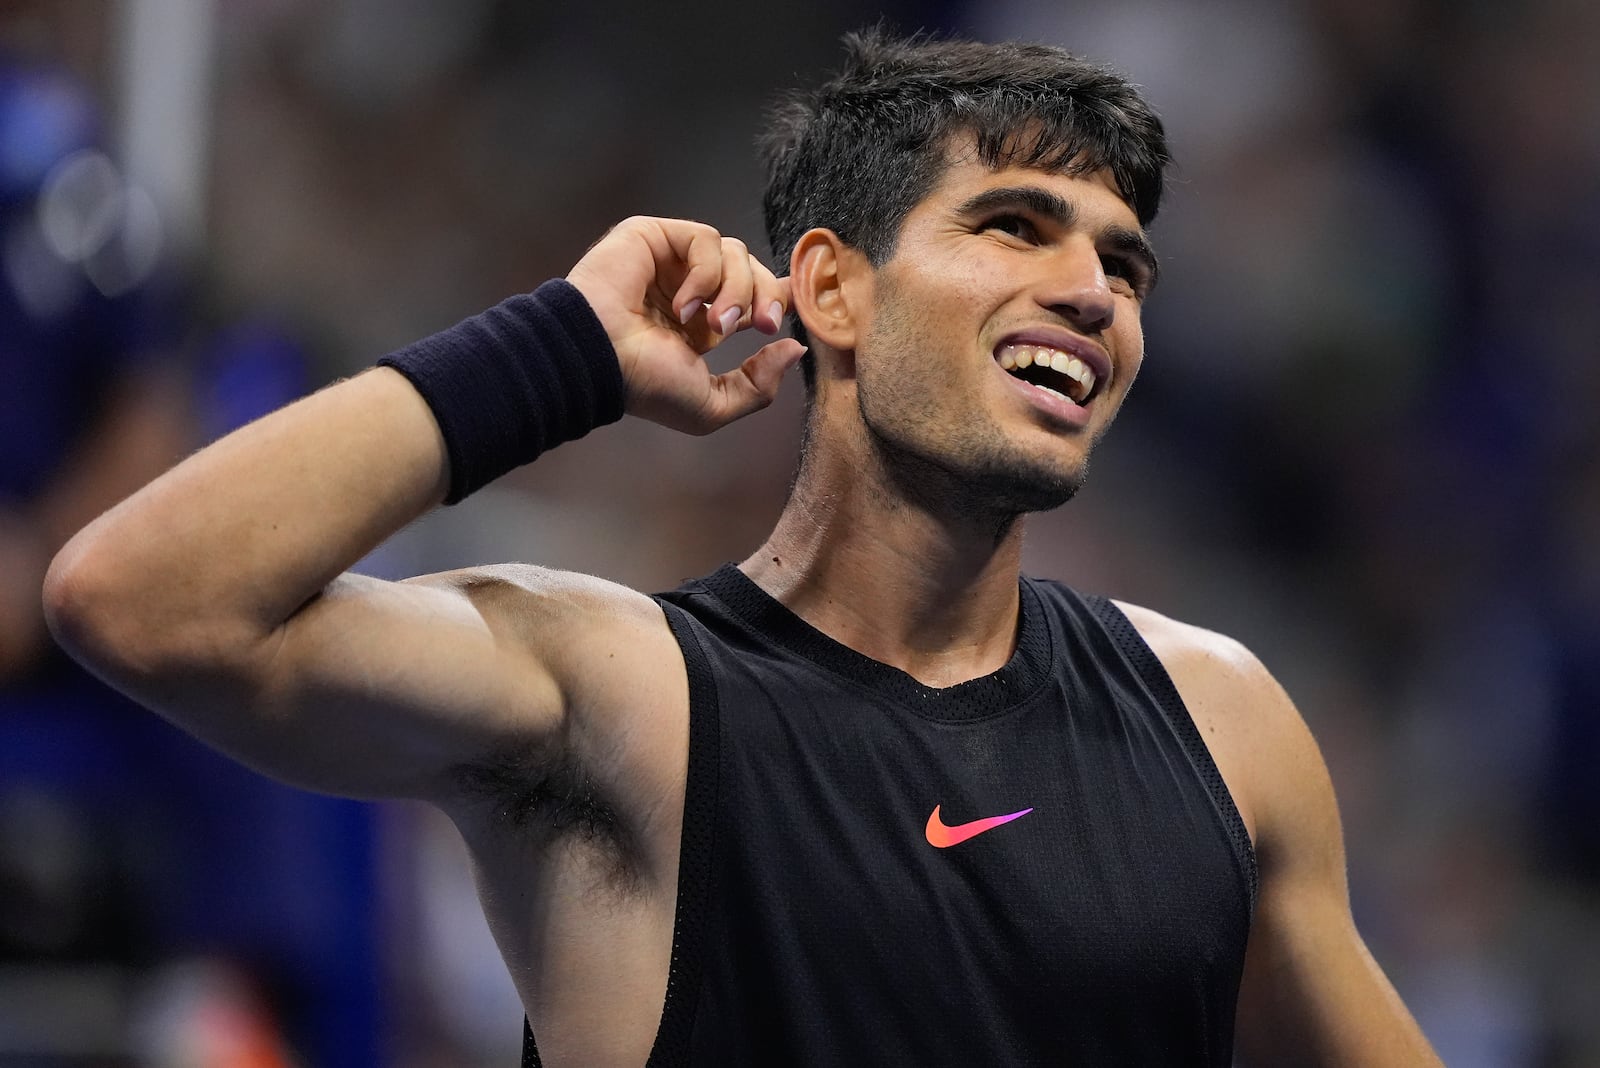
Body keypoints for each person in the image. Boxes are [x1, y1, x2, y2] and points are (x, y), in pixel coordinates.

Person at [44, 28, 1442, 1067]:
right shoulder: (624, 700)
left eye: (1122, 265)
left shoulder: (1222, 722)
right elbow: (142, 599)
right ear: (829, 287)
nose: (1088, 293)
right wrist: (560, 354)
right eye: (1015, 227)